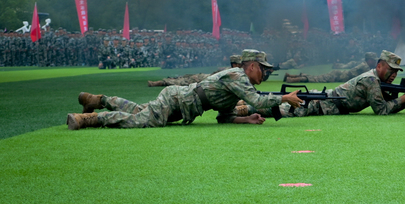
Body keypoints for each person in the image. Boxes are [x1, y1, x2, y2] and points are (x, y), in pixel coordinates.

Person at [66, 49, 302, 130]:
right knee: (142, 122)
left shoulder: (237, 84)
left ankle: (99, 99)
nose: (265, 74)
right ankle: (89, 119)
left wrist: (246, 120)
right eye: (263, 69)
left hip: (181, 105)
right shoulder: (237, 75)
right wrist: (284, 97)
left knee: (139, 111)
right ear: (251, 66)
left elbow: (224, 117)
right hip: (178, 100)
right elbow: (257, 100)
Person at [276, 50, 405, 118]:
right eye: (391, 70)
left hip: (327, 103)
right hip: (320, 104)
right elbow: (382, 110)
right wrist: (403, 100)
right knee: (279, 110)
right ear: (379, 66)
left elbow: (386, 102)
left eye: (397, 71)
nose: (394, 75)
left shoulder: (376, 81)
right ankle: (251, 108)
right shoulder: (371, 80)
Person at [146, 55, 243, 87]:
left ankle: (159, 82)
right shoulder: (234, 71)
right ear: (235, 64)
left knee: (183, 79)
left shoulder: (232, 70)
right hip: (205, 79)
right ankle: (158, 83)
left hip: (205, 78)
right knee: (182, 80)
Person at [284, 52, 378, 84]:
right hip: (337, 76)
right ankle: (292, 79)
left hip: (338, 75)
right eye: (373, 60)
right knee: (317, 79)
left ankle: (291, 76)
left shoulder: (364, 65)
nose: (375, 62)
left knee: (317, 77)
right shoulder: (365, 66)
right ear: (369, 60)